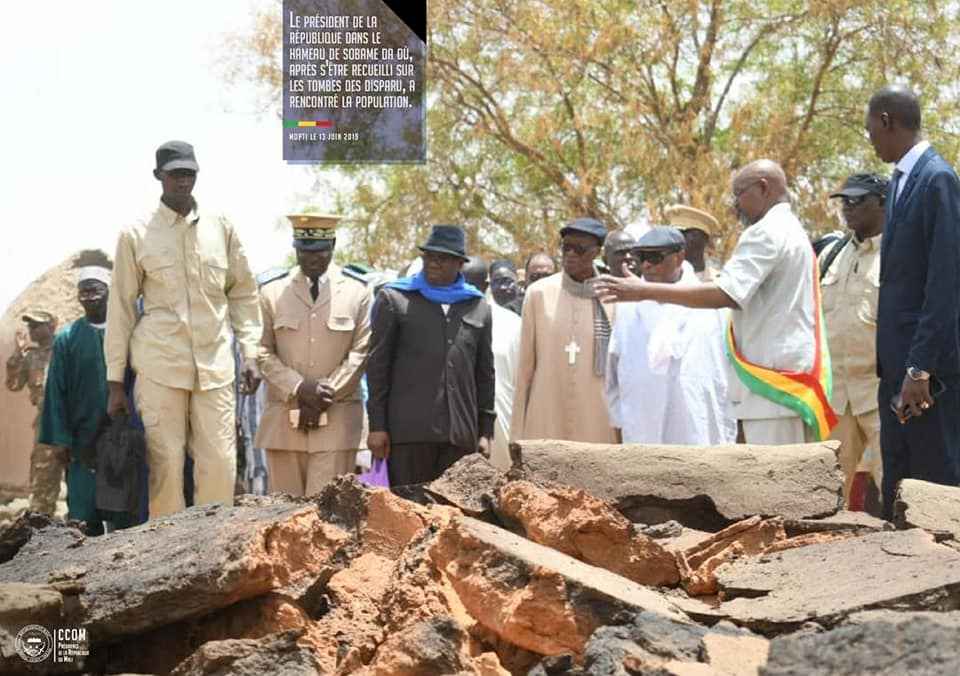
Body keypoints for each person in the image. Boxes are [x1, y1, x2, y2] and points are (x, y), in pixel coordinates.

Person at [596, 160, 833, 445]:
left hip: (773, 387)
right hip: (777, 387)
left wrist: (645, 291)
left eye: (738, 195)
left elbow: (724, 294)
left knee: (775, 483)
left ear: (762, 187)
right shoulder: (789, 228)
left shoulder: (766, 232)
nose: (736, 207)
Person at [105, 140, 262, 518]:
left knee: (221, 466)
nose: (182, 181)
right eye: (175, 174)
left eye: (189, 174)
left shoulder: (221, 227)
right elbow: (121, 309)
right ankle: (168, 561)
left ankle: (212, 556)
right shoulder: (136, 234)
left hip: (215, 368)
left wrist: (252, 353)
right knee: (165, 469)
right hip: (160, 368)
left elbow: (243, 293)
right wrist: (114, 382)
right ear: (159, 176)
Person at [865, 85, 960, 517]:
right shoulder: (901, 181)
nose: (870, 138)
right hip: (897, 372)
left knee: (934, 491)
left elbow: (945, 283)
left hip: (926, 377)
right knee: (898, 489)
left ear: (886, 120)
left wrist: (919, 367)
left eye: (871, 129)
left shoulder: (937, 179)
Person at [366, 225, 495, 486]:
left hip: (459, 436)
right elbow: (377, 368)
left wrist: (485, 431)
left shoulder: (477, 306)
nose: (434, 263)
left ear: (460, 264)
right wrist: (377, 425)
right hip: (408, 435)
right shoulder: (395, 299)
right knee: (409, 516)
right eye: (429, 256)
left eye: (443, 258)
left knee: (455, 519)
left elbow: (485, 374)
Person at [255, 214, 371, 496]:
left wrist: (322, 395)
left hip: (337, 421)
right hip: (285, 423)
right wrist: (299, 387)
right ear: (295, 249)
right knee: (282, 519)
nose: (312, 258)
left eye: (320, 250)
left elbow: (361, 352)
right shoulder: (271, 292)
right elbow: (260, 350)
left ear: (333, 245)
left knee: (328, 521)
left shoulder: (358, 291)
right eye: (305, 251)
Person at [606, 228, 735, 445]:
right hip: (643, 425)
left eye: (655, 257)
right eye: (642, 257)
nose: (646, 265)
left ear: (679, 257)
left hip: (696, 426)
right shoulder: (627, 308)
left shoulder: (711, 305)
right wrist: (619, 423)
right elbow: (613, 373)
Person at [38, 266, 135, 533]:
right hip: (81, 441)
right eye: (84, 291)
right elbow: (56, 391)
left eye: (96, 290)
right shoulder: (67, 339)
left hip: (120, 436)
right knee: (82, 514)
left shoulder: (128, 333)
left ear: (109, 292)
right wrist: (60, 439)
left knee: (122, 514)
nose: (89, 296)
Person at [511, 218, 618, 444]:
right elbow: (524, 371)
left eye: (579, 249)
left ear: (595, 252)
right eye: (566, 247)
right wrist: (516, 437)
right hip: (546, 416)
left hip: (597, 419)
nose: (570, 254)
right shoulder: (538, 294)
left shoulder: (612, 298)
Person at [819, 173, 888, 513]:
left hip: (881, 395)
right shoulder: (831, 255)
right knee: (824, 493)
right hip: (837, 398)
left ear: (883, 203)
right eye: (844, 200)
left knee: (898, 488)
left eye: (858, 200)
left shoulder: (900, 254)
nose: (848, 207)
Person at [465, 256, 521, 469]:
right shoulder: (443, 319)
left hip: (502, 422)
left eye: (471, 283)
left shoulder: (512, 324)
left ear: (484, 286)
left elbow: (521, 381)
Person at [6, 310, 59, 515]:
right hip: (45, 423)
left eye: (37, 325)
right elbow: (14, 384)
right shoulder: (31, 356)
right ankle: (42, 527)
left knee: (79, 476)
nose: (32, 330)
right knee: (43, 479)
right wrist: (17, 354)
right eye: (30, 326)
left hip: (73, 420)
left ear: (51, 326)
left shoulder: (66, 348)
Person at [665, 205, 722, 282]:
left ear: (706, 240)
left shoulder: (719, 281)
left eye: (691, 233)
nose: (681, 239)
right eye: (677, 233)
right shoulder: (660, 277)